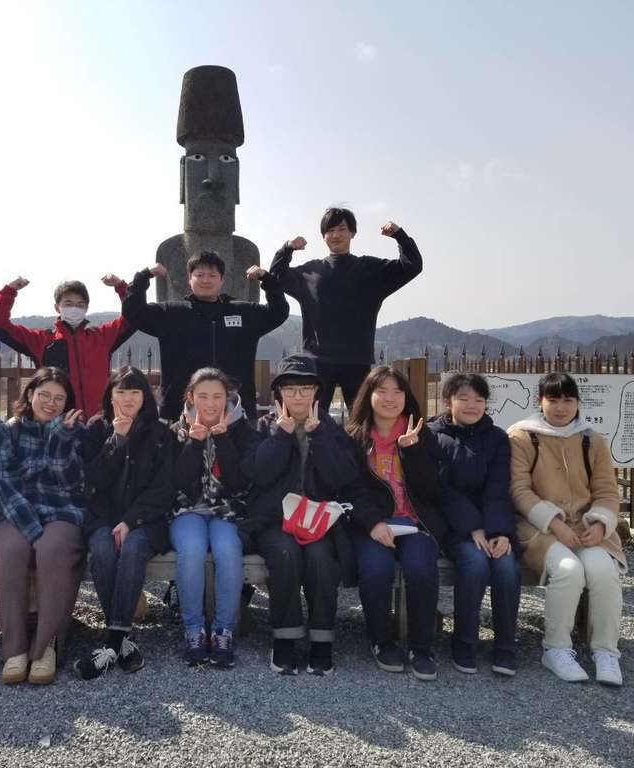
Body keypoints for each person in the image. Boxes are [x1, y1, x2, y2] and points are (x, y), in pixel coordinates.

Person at [239, 354, 364, 676]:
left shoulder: (331, 429)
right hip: (274, 521)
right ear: (278, 393)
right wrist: (281, 436)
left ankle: (322, 640)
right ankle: (285, 637)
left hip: (319, 520)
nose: (297, 395)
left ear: (316, 393)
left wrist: (318, 436)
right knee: (285, 554)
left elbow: (343, 477)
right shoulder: (263, 426)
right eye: (290, 388)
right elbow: (256, 474)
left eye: (305, 388)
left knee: (322, 559)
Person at [508, 372, 626, 686]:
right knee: (568, 569)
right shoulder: (522, 437)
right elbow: (519, 490)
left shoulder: (593, 440)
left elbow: (607, 491)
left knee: (603, 571)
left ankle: (605, 651)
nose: (561, 407)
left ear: (577, 403)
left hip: (587, 529)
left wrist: (601, 523)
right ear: (539, 402)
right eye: (553, 400)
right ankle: (556, 648)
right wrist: (554, 523)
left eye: (568, 400)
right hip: (538, 529)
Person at [343, 365, 450, 681]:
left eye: (397, 391)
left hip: (415, 523)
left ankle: (421, 647)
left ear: (407, 396)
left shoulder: (421, 434)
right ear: (369, 395)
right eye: (382, 391)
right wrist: (373, 523)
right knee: (376, 570)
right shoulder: (354, 437)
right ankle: (381, 640)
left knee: (420, 568)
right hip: (371, 525)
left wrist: (412, 453)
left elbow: (433, 490)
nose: (390, 398)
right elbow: (348, 488)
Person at [0, 367, 87, 685]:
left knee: (53, 548)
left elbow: (75, 485)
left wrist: (61, 441)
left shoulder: (76, 430)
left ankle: (46, 646)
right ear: (30, 395)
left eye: (59, 398)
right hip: (16, 511)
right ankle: (15, 648)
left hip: (63, 510)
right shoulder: (9, 430)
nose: (51, 402)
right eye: (44, 395)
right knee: (14, 550)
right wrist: (32, 529)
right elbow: (4, 484)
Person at [74, 367, 175, 680]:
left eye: (135, 392)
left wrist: (131, 521)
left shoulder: (161, 433)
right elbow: (92, 482)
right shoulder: (95, 428)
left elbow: (164, 489)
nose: (128, 399)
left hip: (146, 520)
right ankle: (124, 640)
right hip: (102, 517)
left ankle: (113, 641)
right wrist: (115, 440)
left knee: (132, 548)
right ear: (110, 395)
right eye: (121, 392)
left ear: (145, 397)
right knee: (103, 550)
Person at [269, 208, 423, 413]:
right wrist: (286, 249)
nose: (336, 235)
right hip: (318, 361)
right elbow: (276, 277)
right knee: (313, 422)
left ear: (352, 233)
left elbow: (412, 266)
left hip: (357, 361)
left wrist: (399, 235)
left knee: (364, 423)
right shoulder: (311, 272)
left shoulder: (369, 269)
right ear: (323, 236)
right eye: (329, 230)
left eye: (342, 229)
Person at [122, 250, 289, 421]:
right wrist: (144, 276)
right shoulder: (171, 313)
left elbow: (278, 312)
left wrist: (267, 279)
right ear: (189, 278)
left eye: (212, 275)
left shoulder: (243, 312)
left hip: (236, 413)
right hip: (179, 414)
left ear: (222, 280)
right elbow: (133, 312)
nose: (206, 280)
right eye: (199, 275)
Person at [428, 373, 520, 677]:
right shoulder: (433, 435)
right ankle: (464, 642)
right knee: (476, 563)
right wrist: (473, 528)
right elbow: (441, 491)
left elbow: (499, 487)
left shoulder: (496, 438)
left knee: (506, 565)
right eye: (464, 398)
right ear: (447, 401)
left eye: (478, 399)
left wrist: (500, 532)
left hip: (493, 524)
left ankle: (506, 647)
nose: (472, 405)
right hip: (452, 528)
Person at [169, 367, 259, 668]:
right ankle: (193, 629)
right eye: (203, 396)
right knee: (192, 551)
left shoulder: (243, 430)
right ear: (191, 398)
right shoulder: (177, 430)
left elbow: (239, 483)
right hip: (188, 509)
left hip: (228, 509)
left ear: (227, 398)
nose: (210, 404)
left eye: (217, 397)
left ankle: (223, 630)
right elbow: (179, 484)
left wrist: (222, 441)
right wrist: (194, 445)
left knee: (227, 550)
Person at [0, 274, 133, 418]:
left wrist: (121, 286)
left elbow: (132, 317)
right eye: (68, 304)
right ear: (58, 307)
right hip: (56, 427)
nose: (74, 308)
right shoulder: (41, 340)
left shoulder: (101, 337)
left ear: (86, 308)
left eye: (80, 305)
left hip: (97, 425)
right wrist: (9, 291)